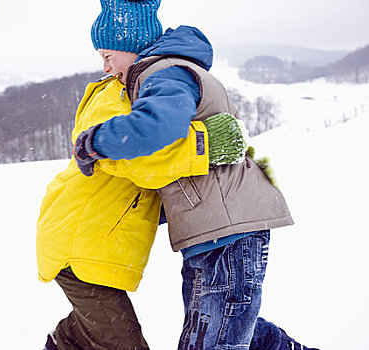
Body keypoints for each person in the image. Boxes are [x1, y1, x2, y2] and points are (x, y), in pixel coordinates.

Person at [73, 0, 318, 349]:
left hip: (228, 233)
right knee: (233, 330)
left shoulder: (163, 72)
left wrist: (96, 141)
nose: (107, 68)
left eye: (108, 55)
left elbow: (158, 127)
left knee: (213, 339)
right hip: (215, 232)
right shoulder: (165, 70)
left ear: (129, 45)